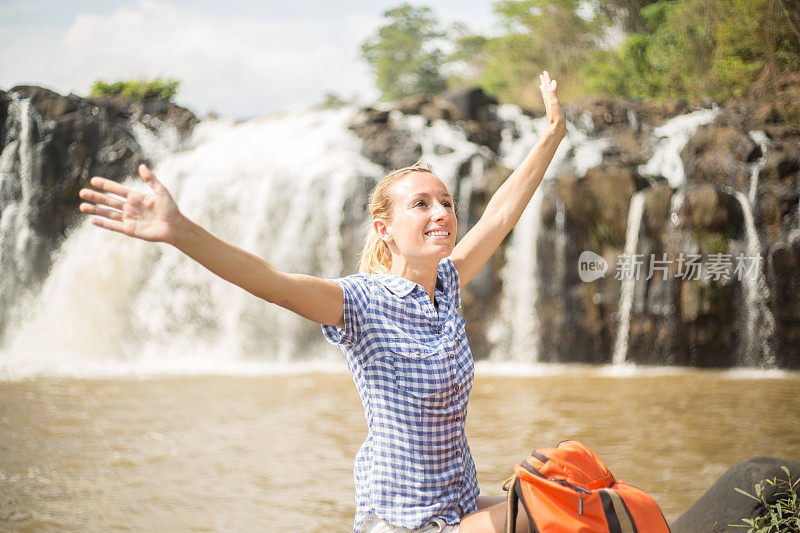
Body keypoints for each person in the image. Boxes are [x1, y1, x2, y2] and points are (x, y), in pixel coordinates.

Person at [78, 71, 566, 533]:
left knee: (583, 489)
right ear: (385, 229)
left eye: (445, 203)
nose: (440, 212)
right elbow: (272, 282)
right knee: (558, 514)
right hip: (407, 520)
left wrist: (550, 137)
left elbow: (500, 216)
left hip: (457, 501)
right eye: (420, 204)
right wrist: (180, 232)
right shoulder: (358, 301)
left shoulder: (448, 284)